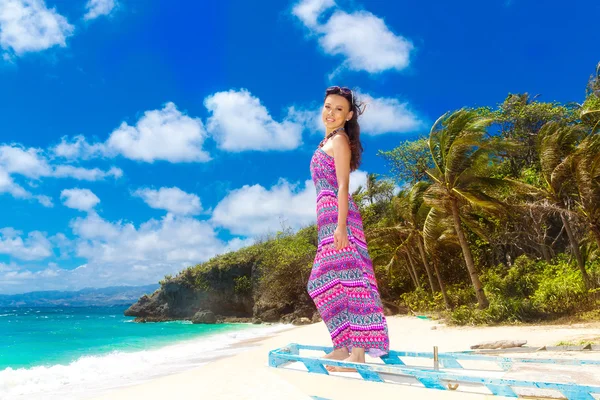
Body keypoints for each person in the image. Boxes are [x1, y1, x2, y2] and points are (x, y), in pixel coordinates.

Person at [307, 86, 389, 372]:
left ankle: (357, 354)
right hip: (327, 219)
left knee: (352, 281)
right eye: (328, 106)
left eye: (339, 109)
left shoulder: (339, 140)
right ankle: (342, 347)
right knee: (322, 283)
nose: (331, 113)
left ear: (349, 115)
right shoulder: (326, 140)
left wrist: (341, 227)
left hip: (339, 219)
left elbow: (343, 186)